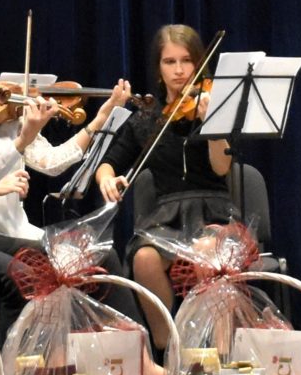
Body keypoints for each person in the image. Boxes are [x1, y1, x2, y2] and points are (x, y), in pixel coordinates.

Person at [0, 24, 134, 326]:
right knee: (70, 262)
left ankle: (126, 341)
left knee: (101, 255)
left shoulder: (4, 113)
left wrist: (101, 117)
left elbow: (52, 162)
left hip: (16, 230)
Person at [95, 24, 239, 347]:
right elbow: (108, 163)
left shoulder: (215, 108)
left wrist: (213, 124)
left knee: (208, 252)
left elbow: (221, 167)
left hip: (213, 212)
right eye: (169, 62)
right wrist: (107, 178)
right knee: (144, 259)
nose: (179, 70)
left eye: (186, 60)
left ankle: (220, 351)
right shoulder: (147, 119)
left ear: (199, 63)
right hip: (167, 218)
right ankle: (170, 347)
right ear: (158, 68)